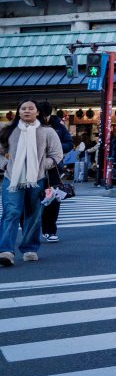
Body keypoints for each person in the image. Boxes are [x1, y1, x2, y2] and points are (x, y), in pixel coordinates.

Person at [0, 99, 63, 267]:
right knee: (11, 213)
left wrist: (41, 165)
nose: (27, 111)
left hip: (38, 179)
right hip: (11, 178)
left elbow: (57, 154)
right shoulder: (8, 130)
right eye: (23, 108)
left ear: (37, 112)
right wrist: (5, 164)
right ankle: (6, 251)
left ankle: (29, 249)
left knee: (33, 216)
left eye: (31, 108)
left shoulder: (47, 132)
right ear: (18, 112)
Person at [37, 102, 74, 244]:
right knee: (31, 199)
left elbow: (69, 144)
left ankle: (49, 230)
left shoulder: (58, 126)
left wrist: (54, 148)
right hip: (33, 168)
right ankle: (30, 228)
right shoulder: (29, 126)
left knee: (52, 199)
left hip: (53, 168)